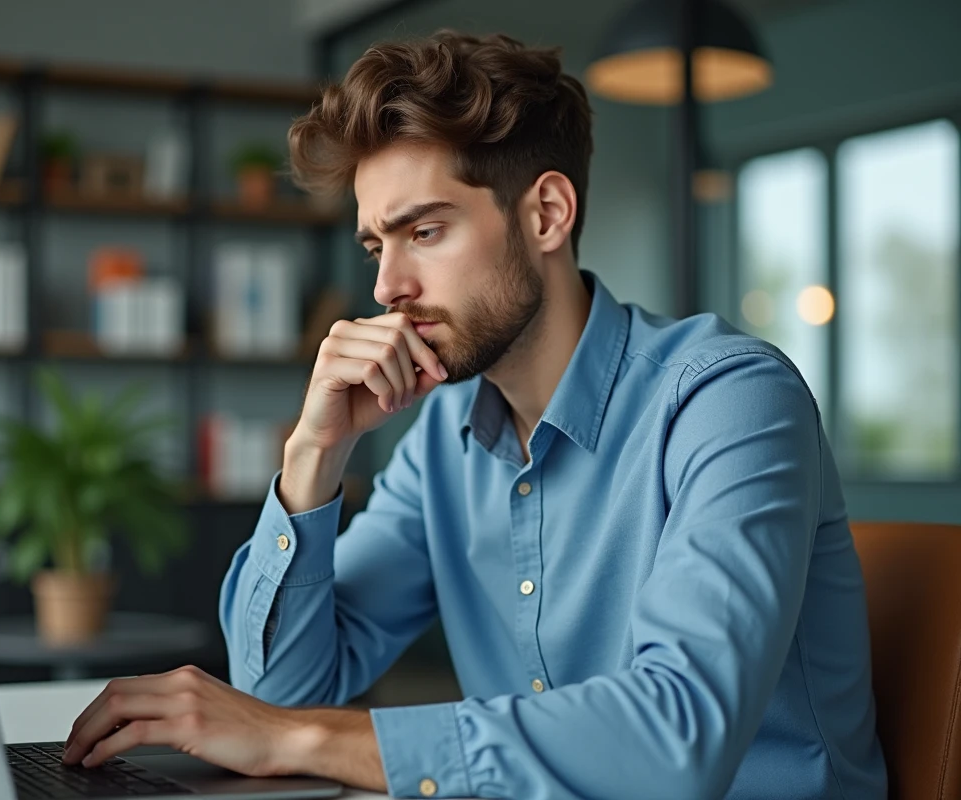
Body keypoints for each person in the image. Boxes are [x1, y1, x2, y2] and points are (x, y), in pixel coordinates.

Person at [61, 31, 887, 799]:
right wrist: (313, 454)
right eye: (376, 246)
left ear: (547, 214)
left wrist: (305, 739)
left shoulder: (730, 400)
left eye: (424, 231)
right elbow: (280, 694)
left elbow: (678, 737)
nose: (386, 287)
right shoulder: (442, 444)